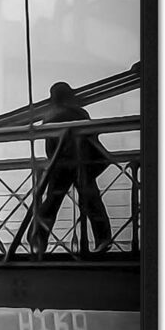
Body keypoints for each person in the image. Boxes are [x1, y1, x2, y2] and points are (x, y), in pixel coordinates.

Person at [30, 82, 114, 256]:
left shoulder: (50, 116)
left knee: (51, 203)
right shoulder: (80, 113)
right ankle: (103, 239)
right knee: (92, 202)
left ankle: (38, 240)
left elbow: (50, 149)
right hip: (82, 164)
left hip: (61, 165)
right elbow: (93, 139)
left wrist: (55, 161)